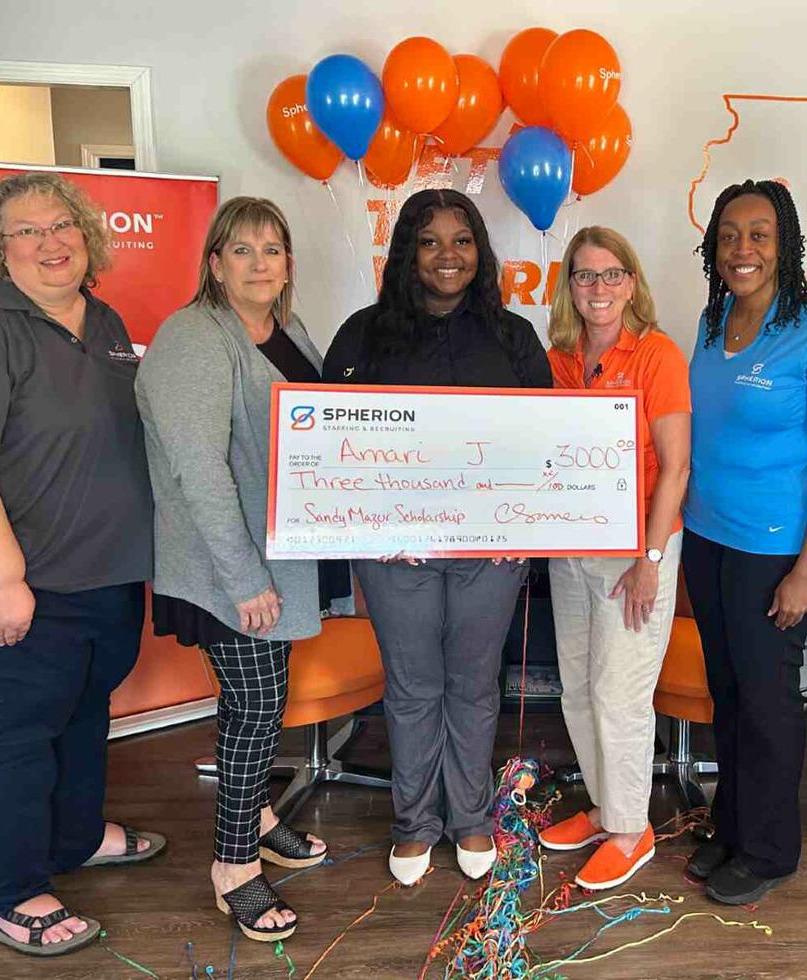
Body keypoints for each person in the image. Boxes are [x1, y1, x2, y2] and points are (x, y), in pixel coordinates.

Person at [0, 172, 164, 957]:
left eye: (63, 226)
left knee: (81, 720)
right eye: (28, 232)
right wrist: (1, 581)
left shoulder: (104, 320)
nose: (52, 243)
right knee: (5, 738)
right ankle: (5, 893)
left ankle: (71, 838)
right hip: (23, 585)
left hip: (106, 579)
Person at [322, 189, 552, 886]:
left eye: (461, 240)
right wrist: (367, 525)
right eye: (429, 241)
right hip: (396, 555)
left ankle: (472, 819)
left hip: (490, 554)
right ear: (406, 253)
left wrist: (526, 530)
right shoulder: (361, 334)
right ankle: (415, 824)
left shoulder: (513, 338)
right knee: (414, 687)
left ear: (479, 252)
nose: (446, 255)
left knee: (474, 685)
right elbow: (334, 442)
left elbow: (545, 447)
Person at [135, 197, 332, 943]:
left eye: (272, 250)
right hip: (228, 568)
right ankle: (233, 869)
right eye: (241, 250)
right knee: (254, 709)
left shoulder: (286, 330)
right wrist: (244, 577)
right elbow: (197, 470)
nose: (259, 263)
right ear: (213, 262)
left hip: (276, 556)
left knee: (262, 701)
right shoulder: (195, 337)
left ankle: (260, 815)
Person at [681, 178, 807, 905]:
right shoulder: (713, 315)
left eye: (759, 234)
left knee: (766, 704)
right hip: (706, 537)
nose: (741, 248)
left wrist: (806, 570)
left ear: (785, 245)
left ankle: (768, 851)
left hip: (775, 550)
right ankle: (731, 825)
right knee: (726, 695)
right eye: (728, 235)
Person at [537, 228, 691, 889]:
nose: (597, 288)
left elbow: (677, 466)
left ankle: (632, 831)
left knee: (619, 695)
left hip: (635, 552)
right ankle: (607, 809)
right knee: (576, 690)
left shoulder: (656, 354)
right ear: (568, 285)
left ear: (632, 281)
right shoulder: (558, 357)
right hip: (570, 552)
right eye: (583, 275)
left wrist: (651, 558)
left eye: (610, 274)